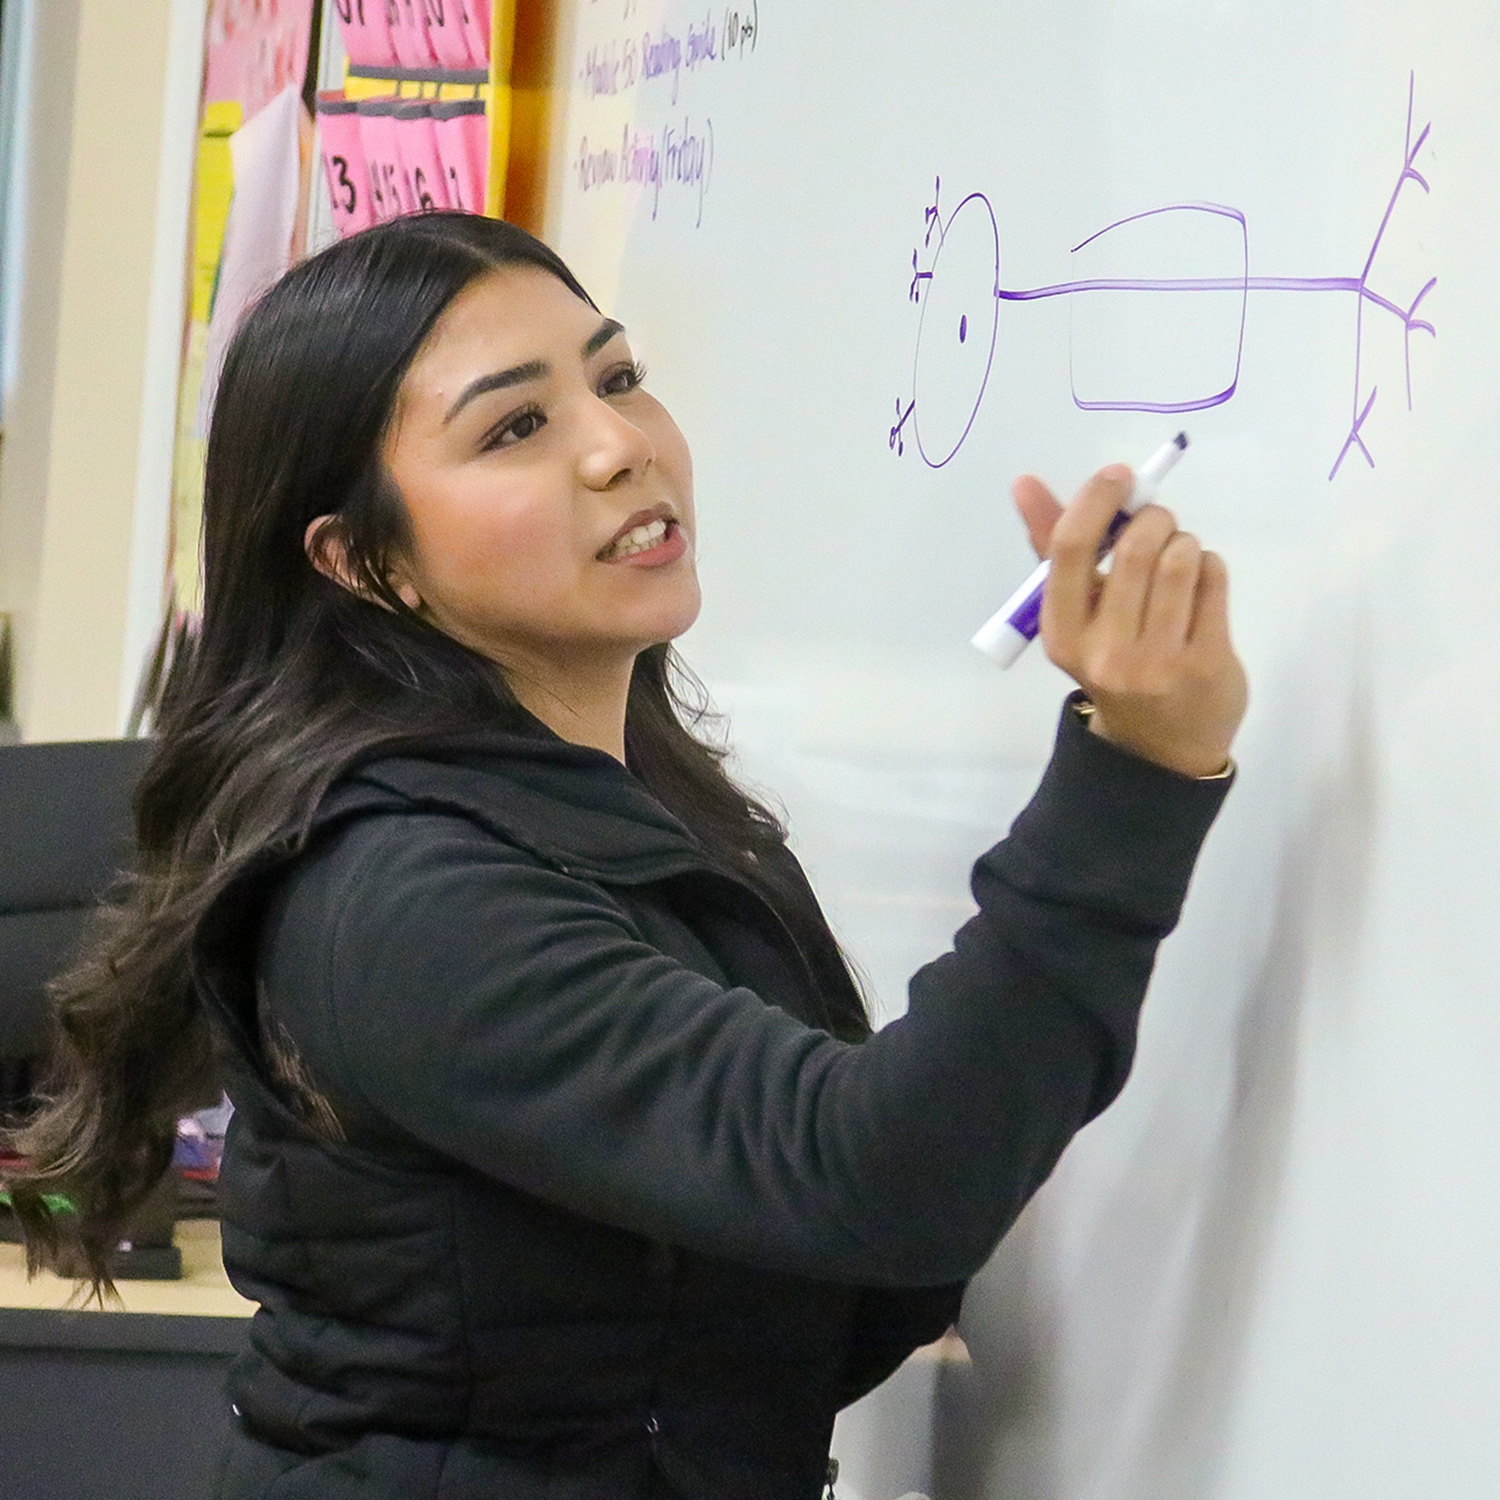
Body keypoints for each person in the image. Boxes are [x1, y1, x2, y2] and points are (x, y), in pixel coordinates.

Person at [5, 212, 1246, 1499]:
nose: (619, 447)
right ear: (365, 561)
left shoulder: (642, 806)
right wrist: (1136, 772)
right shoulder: (398, 896)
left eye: (616, 377)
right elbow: (871, 1178)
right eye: (514, 428)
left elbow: (838, 1253)